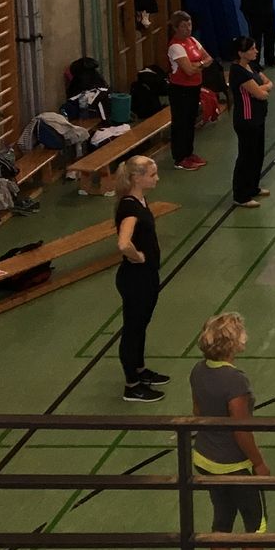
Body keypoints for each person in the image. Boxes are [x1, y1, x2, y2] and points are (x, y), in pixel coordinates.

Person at [190, 312, 275, 550]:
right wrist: (258, 462)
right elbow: (240, 429)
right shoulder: (235, 381)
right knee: (256, 526)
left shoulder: (198, 371)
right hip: (235, 465)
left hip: (206, 460)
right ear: (233, 343)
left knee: (222, 520)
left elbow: (198, 411)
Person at [112, 155, 168, 402]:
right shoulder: (130, 208)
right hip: (136, 279)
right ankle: (132, 385)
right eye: (152, 174)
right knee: (132, 330)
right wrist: (138, 256)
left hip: (147, 277)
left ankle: (140, 369)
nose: (157, 178)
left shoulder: (140, 200)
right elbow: (124, 243)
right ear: (137, 178)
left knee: (141, 325)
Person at [228, 36, 273, 209]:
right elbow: (261, 94)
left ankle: (253, 186)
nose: (256, 51)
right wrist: (261, 90)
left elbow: (269, 83)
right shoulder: (238, 71)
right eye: (252, 49)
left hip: (259, 117)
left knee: (257, 154)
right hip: (247, 120)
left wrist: (260, 89)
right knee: (246, 157)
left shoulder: (252, 65)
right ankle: (240, 195)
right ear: (241, 53)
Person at [165, 11, 212, 171]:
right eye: (184, 26)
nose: (188, 29)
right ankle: (180, 158)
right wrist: (201, 64)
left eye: (189, 25)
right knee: (181, 122)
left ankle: (189, 153)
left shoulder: (192, 40)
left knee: (191, 121)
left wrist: (198, 64)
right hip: (180, 90)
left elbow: (209, 59)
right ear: (176, 28)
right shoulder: (175, 47)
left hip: (194, 88)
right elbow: (188, 70)